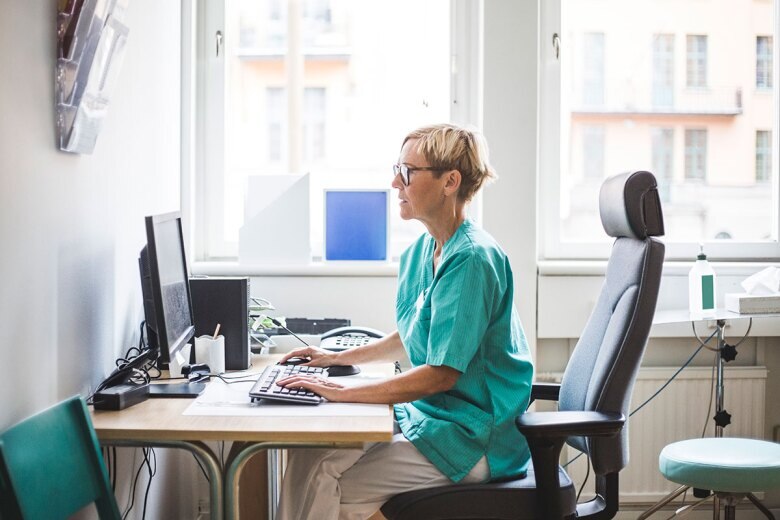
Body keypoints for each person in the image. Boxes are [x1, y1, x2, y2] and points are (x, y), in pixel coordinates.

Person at [275, 123, 534, 520]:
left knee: (328, 479)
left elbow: (441, 373)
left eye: (408, 172)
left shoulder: (472, 259)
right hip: (435, 418)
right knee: (310, 454)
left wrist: (342, 393)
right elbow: (414, 332)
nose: (396, 182)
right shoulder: (425, 249)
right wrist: (333, 358)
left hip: (473, 438)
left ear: (450, 181)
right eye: (398, 168)